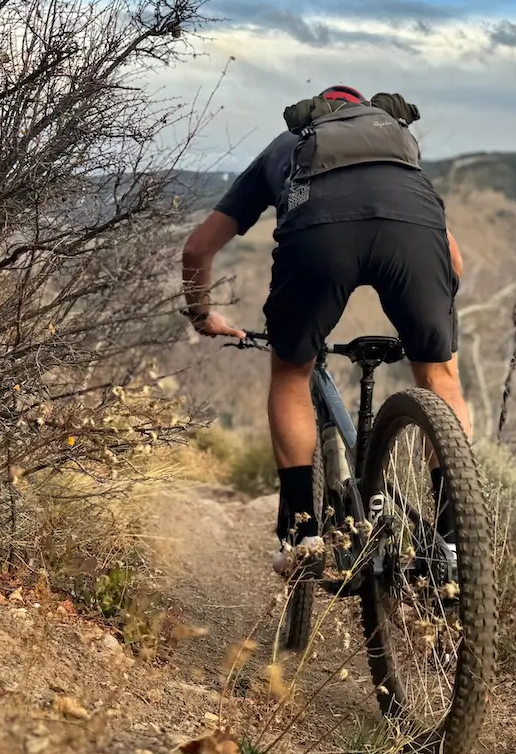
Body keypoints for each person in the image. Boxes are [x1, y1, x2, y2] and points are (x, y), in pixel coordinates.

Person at [180, 85, 469, 573]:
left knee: (292, 371)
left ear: (318, 114)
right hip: (413, 236)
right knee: (440, 377)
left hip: (319, 239)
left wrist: (201, 314)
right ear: (366, 113)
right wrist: (434, 317)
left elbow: (198, 248)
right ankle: (454, 541)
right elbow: (453, 261)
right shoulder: (397, 147)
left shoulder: (285, 146)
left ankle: (301, 536)